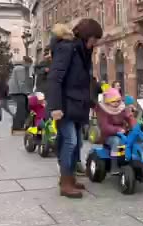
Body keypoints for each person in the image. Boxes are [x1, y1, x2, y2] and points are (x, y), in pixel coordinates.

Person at [47, 19, 103, 199]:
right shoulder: (67, 48)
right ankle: (65, 182)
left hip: (78, 104)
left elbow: (84, 81)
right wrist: (55, 106)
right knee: (70, 141)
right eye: (94, 38)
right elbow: (55, 78)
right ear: (87, 36)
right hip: (65, 104)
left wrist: (92, 100)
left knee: (76, 143)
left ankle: (69, 177)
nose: (95, 42)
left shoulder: (82, 52)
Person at [96, 88, 136, 170]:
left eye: (118, 101)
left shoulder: (122, 108)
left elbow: (129, 118)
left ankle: (131, 159)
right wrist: (117, 130)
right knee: (117, 141)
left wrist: (134, 126)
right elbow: (104, 126)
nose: (116, 103)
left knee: (133, 139)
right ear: (107, 101)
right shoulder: (104, 110)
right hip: (108, 135)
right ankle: (114, 164)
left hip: (122, 132)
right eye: (113, 101)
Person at [9, 56, 33, 133]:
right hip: (17, 92)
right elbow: (21, 82)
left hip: (20, 92)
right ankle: (16, 127)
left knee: (25, 108)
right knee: (21, 109)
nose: (30, 66)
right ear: (26, 62)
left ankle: (21, 125)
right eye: (30, 64)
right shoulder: (20, 69)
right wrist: (28, 92)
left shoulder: (21, 68)